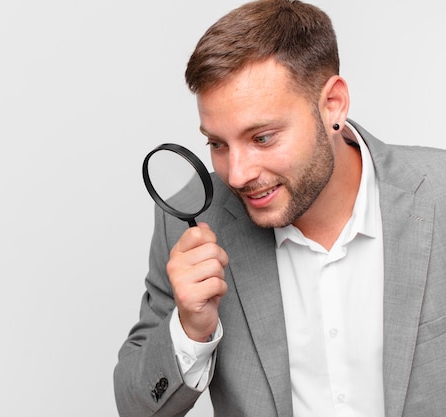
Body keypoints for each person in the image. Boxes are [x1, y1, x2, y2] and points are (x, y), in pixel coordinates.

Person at [113, 0, 446, 416]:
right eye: (217, 143)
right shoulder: (189, 222)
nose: (236, 175)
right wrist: (189, 330)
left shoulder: (439, 196)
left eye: (263, 137)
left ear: (333, 105)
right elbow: (135, 407)